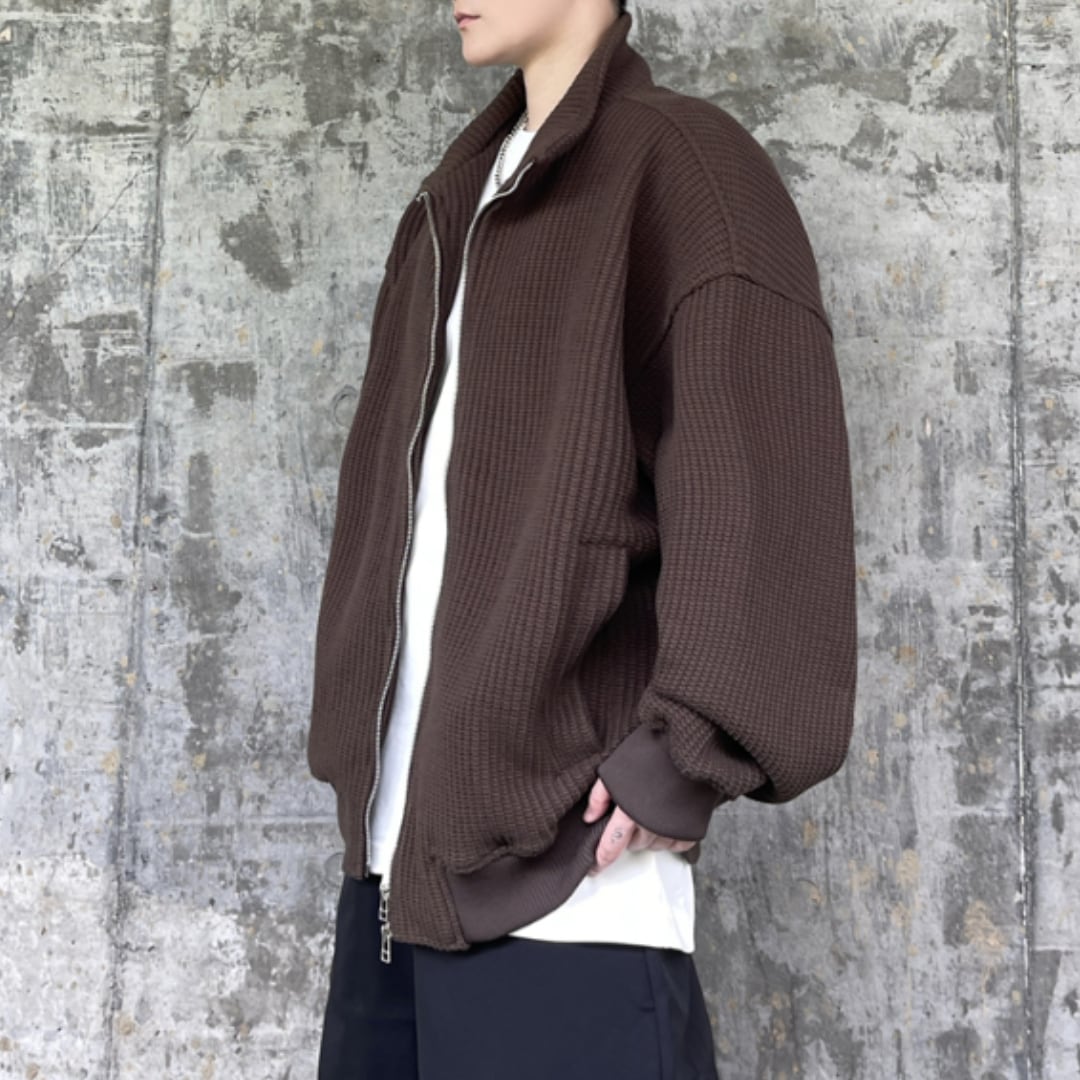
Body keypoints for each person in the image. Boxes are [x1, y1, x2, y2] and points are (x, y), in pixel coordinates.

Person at [306, 1, 857, 1076]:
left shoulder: (686, 171)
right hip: (390, 889)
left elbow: (767, 488)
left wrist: (681, 761)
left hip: (572, 900)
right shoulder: (450, 204)